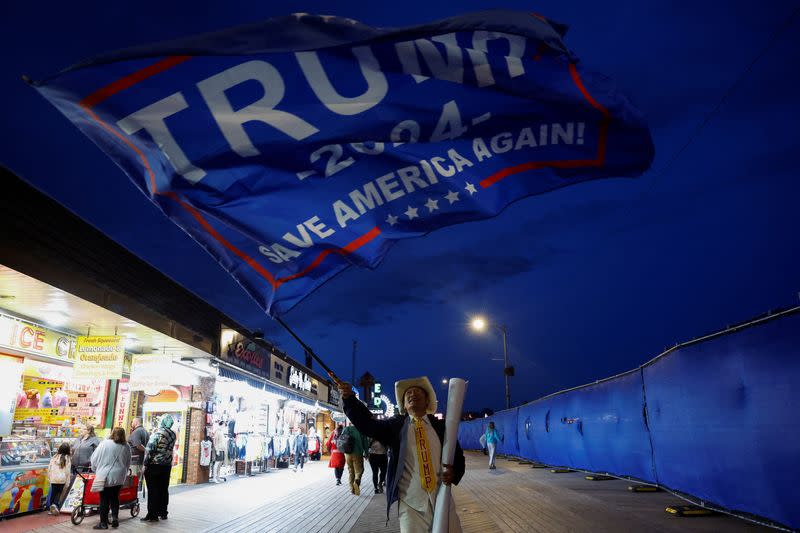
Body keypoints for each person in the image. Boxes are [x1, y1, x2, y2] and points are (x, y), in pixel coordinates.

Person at [337, 376, 465, 532]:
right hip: (411, 505)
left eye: (417, 391)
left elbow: (457, 457)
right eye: (408, 394)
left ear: (427, 401)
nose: (412, 394)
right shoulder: (395, 427)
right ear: (404, 405)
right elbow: (368, 424)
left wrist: (455, 472)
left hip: (443, 501)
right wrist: (349, 399)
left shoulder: (442, 427)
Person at [89, 427, 132, 529]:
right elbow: (128, 462)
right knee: (115, 498)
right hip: (119, 476)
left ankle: (103, 523)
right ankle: (115, 518)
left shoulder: (105, 443)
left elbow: (94, 459)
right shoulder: (126, 446)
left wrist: (97, 470)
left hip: (105, 475)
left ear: (112, 433)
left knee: (104, 499)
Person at [141, 414, 176, 522]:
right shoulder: (173, 434)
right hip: (167, 465)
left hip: (154, 465)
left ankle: (152, 514)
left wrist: (145, 464)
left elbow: (149, 450)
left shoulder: (158, 433)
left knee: (153, 490)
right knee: (163, 489)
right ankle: (163, 512)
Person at [340, 422, 369, 496]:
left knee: (351, 470)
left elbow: (341, 440)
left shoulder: (346, 429)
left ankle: (352, 489)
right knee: (359, 470)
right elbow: (365, 442)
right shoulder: (361, 430)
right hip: (357, 452)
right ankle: (357, 481)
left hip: (347, 453)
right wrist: (366, 452)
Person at [47, 443, 71, 515]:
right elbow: (67, 471)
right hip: (62, 478)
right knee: (59, 493)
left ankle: (51, 509)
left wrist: (49, 477)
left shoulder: (54, 457)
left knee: (53, 493)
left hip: (53, 478)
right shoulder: (67, 458)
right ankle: (55, 505)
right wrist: (68, 480)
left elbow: (49, 468)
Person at [128, 418, 148, 490]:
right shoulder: (145, 431)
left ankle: (133, 497)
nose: (131, 423)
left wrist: (146, 451)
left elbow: (138, 445)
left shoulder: (136, 432)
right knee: (138, 481)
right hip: (141, 461)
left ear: (136, 422)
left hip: (134, 462)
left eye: (132, 422)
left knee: (133, 482)